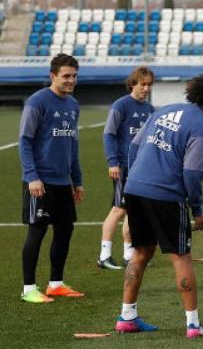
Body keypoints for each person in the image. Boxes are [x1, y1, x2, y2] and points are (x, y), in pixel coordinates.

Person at [115, 73, 203, 338]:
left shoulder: (165, 110)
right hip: (166, 195)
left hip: (135, 189)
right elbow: (192, 172)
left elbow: (133, 149)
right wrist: (198, 210)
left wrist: (134, 179)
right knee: (180, 256)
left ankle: (127, 317)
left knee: (140, 252)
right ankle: (193, 324)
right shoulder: (202, 127)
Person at [18, 53, 86, 304]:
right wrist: (32, 177)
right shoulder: (38, 102)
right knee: (37, 232)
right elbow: (24, 141)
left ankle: (56, 284)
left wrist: (76, 181)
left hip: (63, 182)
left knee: (65, 230)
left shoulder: (73, 105)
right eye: (66, 76)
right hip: (40, 182)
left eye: (74, 76)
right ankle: (28, 289)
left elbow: (73, 146)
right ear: (53, 76)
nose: (70, 80)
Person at [97, 66, 155, 270]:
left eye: (149, 84)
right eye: (143, 84)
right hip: (123, 165)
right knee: (118, 209)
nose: (146, 88)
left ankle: (128, 253)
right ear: (133, 84)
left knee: (133, 210)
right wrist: (112, 161)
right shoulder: (120, 105)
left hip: (141, 168)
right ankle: (104, 255)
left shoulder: (150, 110)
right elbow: (109, 134)